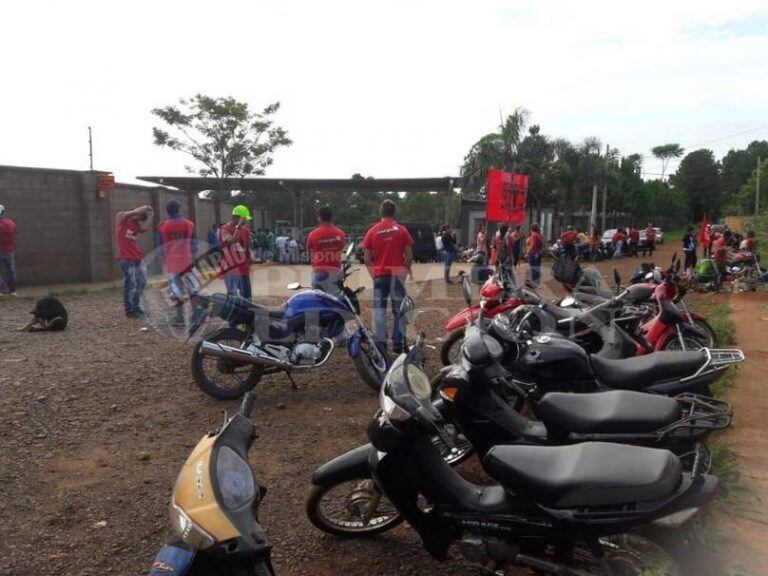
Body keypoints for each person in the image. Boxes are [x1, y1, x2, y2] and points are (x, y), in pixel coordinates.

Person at [362, 199, 414, 355]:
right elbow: (409, 256)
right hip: (397, 275)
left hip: (379, 275)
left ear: (381, 212)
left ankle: (381, 344)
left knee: (379, 310)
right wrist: (404, 272)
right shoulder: (401, 230)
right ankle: (397, 343)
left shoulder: (372, 231)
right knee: (399, 310)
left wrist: (374, 275)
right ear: (394, 212)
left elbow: (366, 258)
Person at [157, 200, 198, 325]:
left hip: (173, 263)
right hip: (187, 261)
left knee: (177, 291)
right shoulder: (189, 224)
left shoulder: (162, 227)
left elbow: (161, 248)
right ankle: (196, 316)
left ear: (167, 211)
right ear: (179, 210)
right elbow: (194, 245)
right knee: (193, 289)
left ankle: (179, 318)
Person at [115, 205, 153, 317]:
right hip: (126, 258)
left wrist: (151, 216)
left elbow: (144, 229)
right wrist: (144, 208)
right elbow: (134, 212)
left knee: (142, 282)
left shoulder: (135, 224)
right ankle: (129, 310)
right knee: (130, 283)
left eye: (141, 219)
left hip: (137, 257)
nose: (140, 220)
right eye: (140, 217)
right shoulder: (121, 216)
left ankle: (136, 306)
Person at [306, 206, 346, 293]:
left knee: (318, 299)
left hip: (319, 270)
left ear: (319, 218)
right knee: (334, 299)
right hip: (335, 270)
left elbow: (309, 250)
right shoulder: (340, 234)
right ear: (331, 218)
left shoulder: (313, 234)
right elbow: (342, 248)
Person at [219, 205, 253, 300]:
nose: (245, 221)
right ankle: (234, 313)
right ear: (236, 218)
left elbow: (247, 245)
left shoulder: (245, 230)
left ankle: (247, 313)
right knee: (233, 295)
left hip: (243, 266)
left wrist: (249, 257)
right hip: (231, 267)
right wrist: (238, 227)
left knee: (247, 296)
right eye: (244, 219)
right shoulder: (224, 229)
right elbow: (232, 240)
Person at [0, 205, 17, 296]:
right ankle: (13, 290)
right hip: (9, 250)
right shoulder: (10, 223)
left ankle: (1, 290)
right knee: (10, 270)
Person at [526, 223, 544, 287]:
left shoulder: (534, 235)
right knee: (536, 268)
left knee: (534, 268)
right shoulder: (539, 235)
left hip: (534, 253)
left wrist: (528, 252)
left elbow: (532, 244)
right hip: (538, 253)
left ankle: (534, 283)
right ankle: (536, 282)